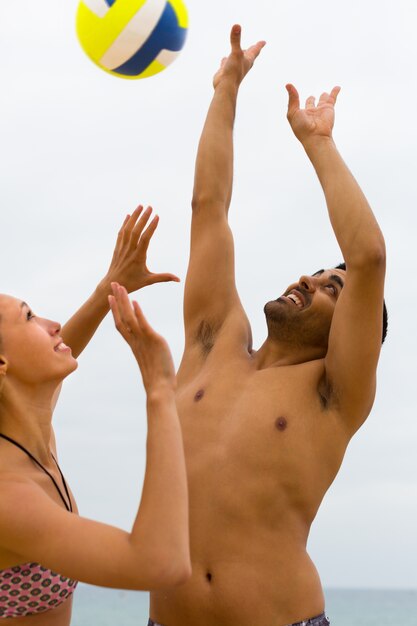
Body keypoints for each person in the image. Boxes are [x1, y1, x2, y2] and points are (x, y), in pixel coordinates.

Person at [148, 26, 387, 626]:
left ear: (350, 330)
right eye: (312, 273)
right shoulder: (210, 344)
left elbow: (368, 259)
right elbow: (209, 206)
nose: (308, 280)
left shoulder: (334, 396)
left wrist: (317, 144)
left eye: (331, 289)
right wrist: (226, 88)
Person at [0, 207, 191, 625]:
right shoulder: (8, 496)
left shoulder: (30, 431)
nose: (52, 324)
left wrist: (111, 285)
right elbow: (161, 564)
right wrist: (159, 391)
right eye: (29, 316)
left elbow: (60, 349)